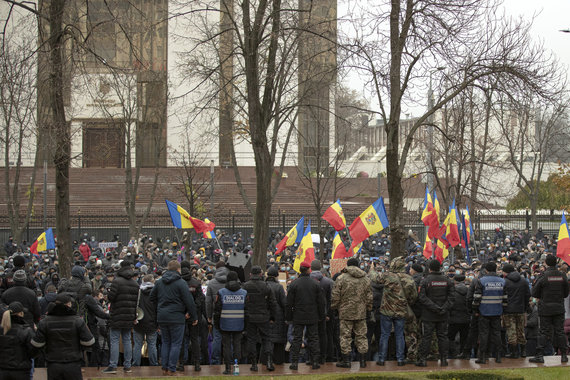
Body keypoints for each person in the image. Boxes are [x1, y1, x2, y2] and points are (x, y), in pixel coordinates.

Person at [150, 260, 198, 376]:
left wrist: (160, 307)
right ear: (178, 270)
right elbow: (189, 301)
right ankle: (172, 368)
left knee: (166, 342)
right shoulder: (181, 283)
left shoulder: (159, 282)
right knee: (176, 343)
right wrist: (194, 316)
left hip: (162, 316)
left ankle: (164, 367)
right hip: (177, 317)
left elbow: (152, 297)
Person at [31, 294, 94, 380]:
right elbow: (89, 342)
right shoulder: (77, 320)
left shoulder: (45, 321)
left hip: (53, 363)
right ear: (68, 304)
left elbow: (37, 344)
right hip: (73, 363)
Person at [370, 256, 417, 366]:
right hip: (401, 311)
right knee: (400, 335)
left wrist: (372, 269)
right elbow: (413, 296)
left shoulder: (387, 276)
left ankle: (382, 359)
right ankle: (400, 359)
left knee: (384, 335)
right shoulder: (409, 278)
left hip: (386, 311)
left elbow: (374, 278)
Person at [331, 257, 373, 369]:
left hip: (345, 312)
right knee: (362, 336)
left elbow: (335, 296)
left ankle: (346, 361)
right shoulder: (365, 279)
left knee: (345, 336)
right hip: (361, 312)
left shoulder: (341, 278)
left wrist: (335, 308)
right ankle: (363, 361)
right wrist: (368, 309)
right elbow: (369, 297)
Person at [529, 255, 569, 363]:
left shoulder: (543, 276)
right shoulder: (562, 276)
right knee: (560, 332)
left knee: (543, 332)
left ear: (546, 263)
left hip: (545, 309)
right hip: (559, 308)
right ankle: (564, 355)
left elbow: (534, 293)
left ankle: (540, 356)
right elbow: (566, 293)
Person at [285, 261, 325, 370]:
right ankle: (315, 362)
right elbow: (321, 302)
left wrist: (289, 317)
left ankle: (294, 363)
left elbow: (289, 303)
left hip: (298, 316)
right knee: (314, 339)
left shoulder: (294, 284)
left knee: (297, 339)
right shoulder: (315, 284)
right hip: (312, 316)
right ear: (309, 270)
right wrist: (321, 316)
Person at [415, 259, 455, 367]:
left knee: (427, 337)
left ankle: (423, 360)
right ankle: (443, 359)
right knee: (442, 336)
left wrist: (434, 308)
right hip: (443, 314)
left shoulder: (425, 280)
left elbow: (422, 298)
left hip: (429, 314)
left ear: (429, 268)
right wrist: (443, 308)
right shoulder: (448, 280)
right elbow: (451, 298)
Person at [102, 261, 139, 374]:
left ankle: (113, 365)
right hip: (129, 315)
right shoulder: (135, 284)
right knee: (127, 340)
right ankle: (127, 365)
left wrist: (108, 294)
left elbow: (111, 298)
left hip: (117, 314)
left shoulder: (116, 282)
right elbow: (136, 302)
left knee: (114, 340)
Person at [242, 265, 277, 371]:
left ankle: (253, 364)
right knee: (267, 339)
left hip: (250, 317)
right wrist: (272, 317)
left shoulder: (245, 286)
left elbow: (243, 302)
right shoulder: (266, 286)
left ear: (251, 274)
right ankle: (269, 362)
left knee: (251, 340)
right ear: (261, 274)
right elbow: (273, 303)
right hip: (263, 317)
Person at [214, 270, 247, 375]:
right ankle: (236, 368)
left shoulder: (221, 292)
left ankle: (228, 368)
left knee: (226, 346)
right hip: (239, 324)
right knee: (237, 346)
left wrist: (217, 324)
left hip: (225, 323)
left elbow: (217, 310)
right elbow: (247, 311)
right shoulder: (244, 293)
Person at [473, 261, 506, 364]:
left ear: (486, 270)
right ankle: (498, 356)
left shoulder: (481, 280)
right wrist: (503, 311)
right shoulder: (502, 281)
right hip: (497, 311)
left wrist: (475, 310)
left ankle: (482, 357)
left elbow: (477, 297)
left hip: (484, 311)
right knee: (497, 334)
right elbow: (505, 299)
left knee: (484, 334)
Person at [0, 302, 35, 380]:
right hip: (21, 370)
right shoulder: (26, 330)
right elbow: (33, 350)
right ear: (20, 313)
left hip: (3, 369)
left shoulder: (2, 330)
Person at [502, 263, 531, 359]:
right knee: (521, 330)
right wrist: (525, 306)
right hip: (521, 309)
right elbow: (528, 295)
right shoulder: (523, 280)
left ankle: (514, 352)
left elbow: (502, 297)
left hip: (508, 310)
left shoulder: (504, 282)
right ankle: (523, 351)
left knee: (511, 331)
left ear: (506, 272)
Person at [205, 261, 230, 364]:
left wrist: (209, 316)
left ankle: (215, 361)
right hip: (231, 314)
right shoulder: (232, 281)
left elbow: (208, 302)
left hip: (217, 314)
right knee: (229, 339)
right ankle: (230, 360)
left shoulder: (211, 283)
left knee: (217, 338)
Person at [310, 259, 334, 363]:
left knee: (311, 335)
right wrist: (328, 313)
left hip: (311, 313)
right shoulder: (328, 281)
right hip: (324, 313)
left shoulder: (306, 280)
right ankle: (323, 357)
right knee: (324, 335)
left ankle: (312, 358)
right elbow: (331, 299)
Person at [132, 274, 158, 367]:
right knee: (152, 345)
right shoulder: (155, 292)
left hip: (139, 322)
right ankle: (154, 364)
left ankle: (135, 364)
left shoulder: (138, 292)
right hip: (152, 323)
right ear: (152, 281)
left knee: (137, 345)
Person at [265, 266, 287, 365]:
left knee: (267, 340)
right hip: (278, 317)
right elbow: (284, 303)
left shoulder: (264, 285)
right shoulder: (279, 287)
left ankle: (266, 361)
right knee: (278, 341)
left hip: (266, 316)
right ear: (276, 276)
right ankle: (278, 361)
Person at [448, 274, 470, 359]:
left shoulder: (452, 292)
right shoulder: (469, 291)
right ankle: (464, 353)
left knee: (450, 337)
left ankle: (452, 354)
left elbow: (449, 304)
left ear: (454, 281)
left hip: (453, 318)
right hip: (466, 318)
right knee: (464, 338)